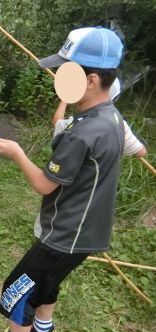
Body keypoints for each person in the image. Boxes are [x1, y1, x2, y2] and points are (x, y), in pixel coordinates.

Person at [0, 27, 131, 332]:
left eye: (68, 71)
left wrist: (16, 152)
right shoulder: (111, 118)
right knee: (48, 280)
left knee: (17, 291)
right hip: (88, 233)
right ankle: (42, 327)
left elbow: (45, 186)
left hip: (64, 235)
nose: (61, 77)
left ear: (90, 80)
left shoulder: (82, 133)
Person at [34, 78, 147, 238]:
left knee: (57, 209)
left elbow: (57, 121)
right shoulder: (119, 125)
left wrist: (64, 99)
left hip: (65, 193)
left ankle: (44, 236)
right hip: (92, 198)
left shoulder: (78, 126)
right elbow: (141, 151)